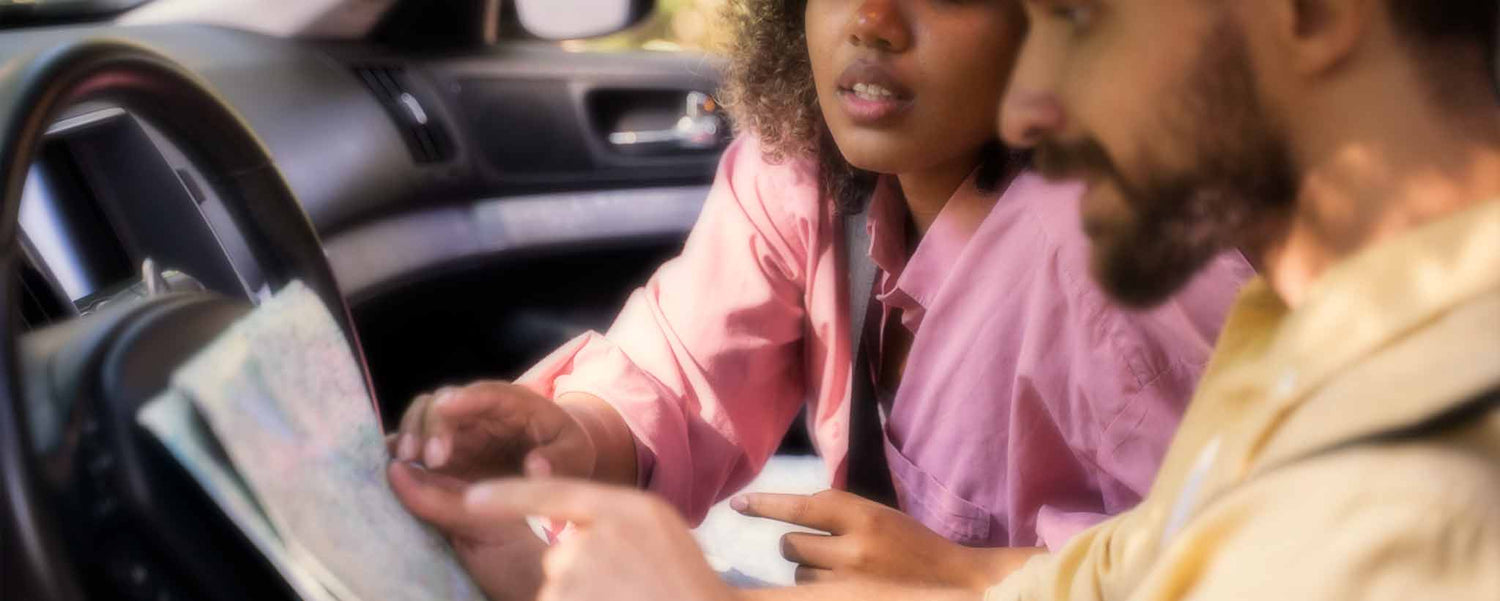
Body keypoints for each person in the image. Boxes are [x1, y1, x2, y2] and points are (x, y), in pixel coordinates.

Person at [395, 0, 1500, 599]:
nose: (1029, 105)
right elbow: (1125, 577)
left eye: (1077, 15)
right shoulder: (1302, 350)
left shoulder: (1409, 499)